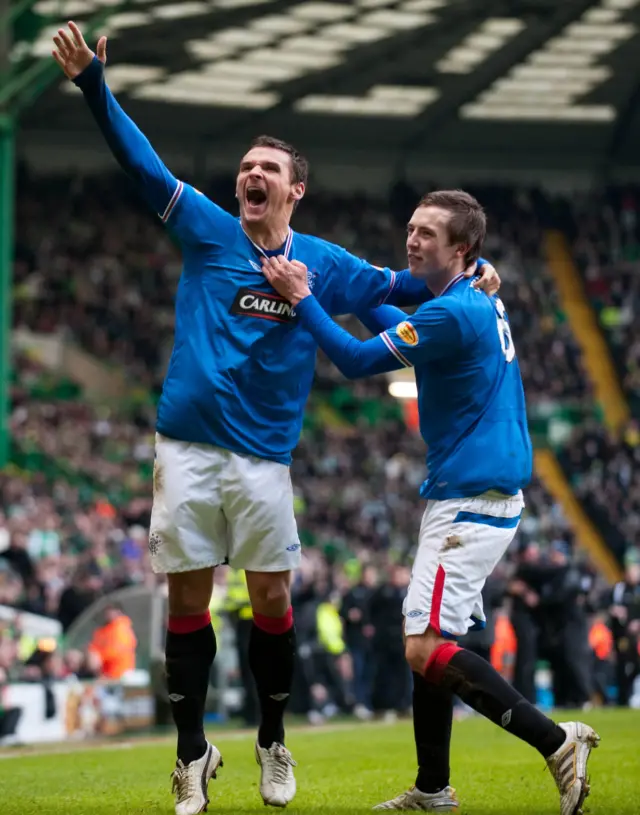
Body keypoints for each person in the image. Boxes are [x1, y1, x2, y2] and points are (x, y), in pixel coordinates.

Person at [51, 20, 502, 815]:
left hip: (263, 459)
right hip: (185, 447)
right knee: (187, 604)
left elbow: (411, 283)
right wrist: (95, 84)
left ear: (296, 189)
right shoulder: (205, 227)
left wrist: (476, 273)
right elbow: (140, 161)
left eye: (269, 168)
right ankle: (191, 758)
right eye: (246, 166)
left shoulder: (327, 266)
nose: (251, 173)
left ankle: (270, 737)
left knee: (270, 604)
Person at [262, 189, 600, 815]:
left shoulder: (455, 312)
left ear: (463, 248)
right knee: (431, 645)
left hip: (471, 498)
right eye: (411, 228)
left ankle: (557, 743)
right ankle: (433, 788)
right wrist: (359, 301)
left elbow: (360, 361)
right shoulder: (468, 301)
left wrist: (304, 299)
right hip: (477, 491)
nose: (412, 240)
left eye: (427, 234)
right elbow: (399, 330)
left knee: (421, 647)